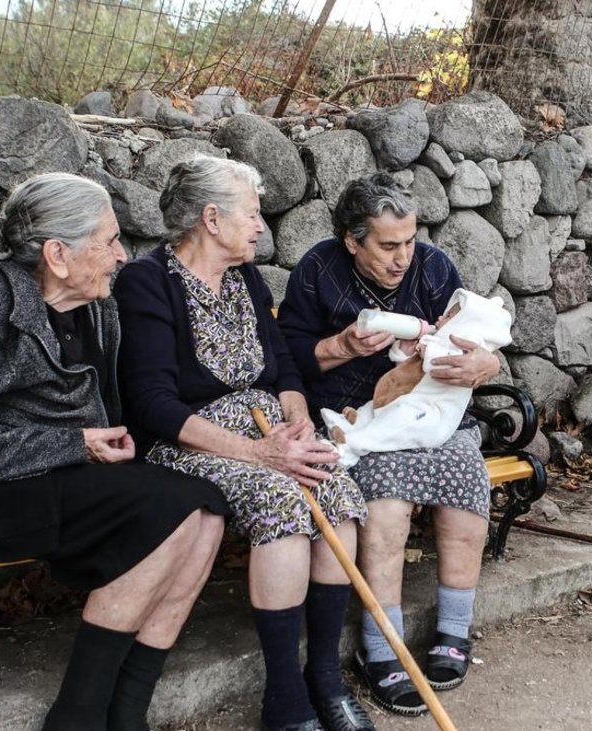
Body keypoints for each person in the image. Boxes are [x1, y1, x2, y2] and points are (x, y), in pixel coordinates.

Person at [0, 172, 230, 731]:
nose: (122, 255)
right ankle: (77, 716)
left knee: (206, 509)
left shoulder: (93, 304)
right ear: (57, 253)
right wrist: (73, 442)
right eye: (108, 241)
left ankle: (128, 711)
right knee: (168, 511)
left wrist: (103, 439)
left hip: (68, 478)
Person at [113, 156, 372, 731]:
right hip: (190, 442)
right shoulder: (147, 281)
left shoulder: (246, 277)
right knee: (282, 498)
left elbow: (282, 366)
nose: (261, 226)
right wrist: (259, 453)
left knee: (335, 489)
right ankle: (284, 697)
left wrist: (298, 421)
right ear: (211, 217)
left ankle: (324, 679)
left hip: (266, 428)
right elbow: (153, 405)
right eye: (251, 214)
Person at [278, 173, 501, 716]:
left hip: (431, 413)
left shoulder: (434, 267)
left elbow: (479, 335)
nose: (403, 257)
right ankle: (382, 650)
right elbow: (286, 357)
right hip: (355, 421)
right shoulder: (318, 270)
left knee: (464, 483)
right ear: (353, 241)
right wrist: (342, 345)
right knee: (386, 500)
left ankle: (452, 631)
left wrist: (484, 364)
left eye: (409, 240)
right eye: (387, 245)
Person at [321, 287, 514, 468]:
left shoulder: (462, 348)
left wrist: (428, 350)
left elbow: (445, 362)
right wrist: (404, 351)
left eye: (448, 316)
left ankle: (351, 447)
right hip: (406, 398)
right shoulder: (438, 340)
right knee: (375, 408)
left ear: (463, 323)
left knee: (399, 419)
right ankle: (348, 425)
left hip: (431, 417)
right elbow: (409, 370)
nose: (440, 317)